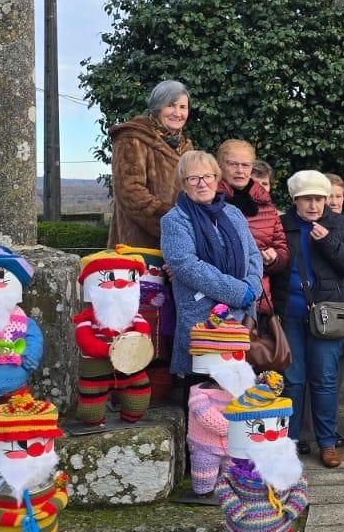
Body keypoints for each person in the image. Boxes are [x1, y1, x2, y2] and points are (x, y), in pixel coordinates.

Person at [269, 170, 344, 468]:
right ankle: (290, 442)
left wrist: (327, 242)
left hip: (328, 315)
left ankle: (327, 442)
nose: (314, 205)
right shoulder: (282, 226)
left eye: (319, 199)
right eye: (307, 199)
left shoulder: (340, 224)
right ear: (295, 200)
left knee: (324, 380)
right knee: (293, 381)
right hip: (290, 313)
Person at [160, 150, 262, 388]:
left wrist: (252, 287)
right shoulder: (174, 220)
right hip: (203, 321)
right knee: (202, 397)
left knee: (235, 394)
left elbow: (254, 254)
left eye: (207, 176)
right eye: (193, 179)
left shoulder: (233, 213)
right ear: (183, 184)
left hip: (240, 317)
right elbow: (186, 265)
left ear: (217, 179)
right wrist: (238, 292)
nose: (202, 183)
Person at [110, 80, 193, 249]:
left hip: (180, 245)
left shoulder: (185, 146)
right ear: (157, 108)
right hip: (139, 246)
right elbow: (131, 193)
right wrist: (173, 224)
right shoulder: (132, 138)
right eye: (171, 105)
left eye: (183, 107)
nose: (178, 113)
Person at [216, 140, 289, 316]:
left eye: (245, 165)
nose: (240, 170)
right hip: (215, 298)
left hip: (257, 300)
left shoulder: (266, 206)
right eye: (233, 164)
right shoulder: (207, 200)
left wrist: (273, 259)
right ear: (219, 166)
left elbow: (283, 251)